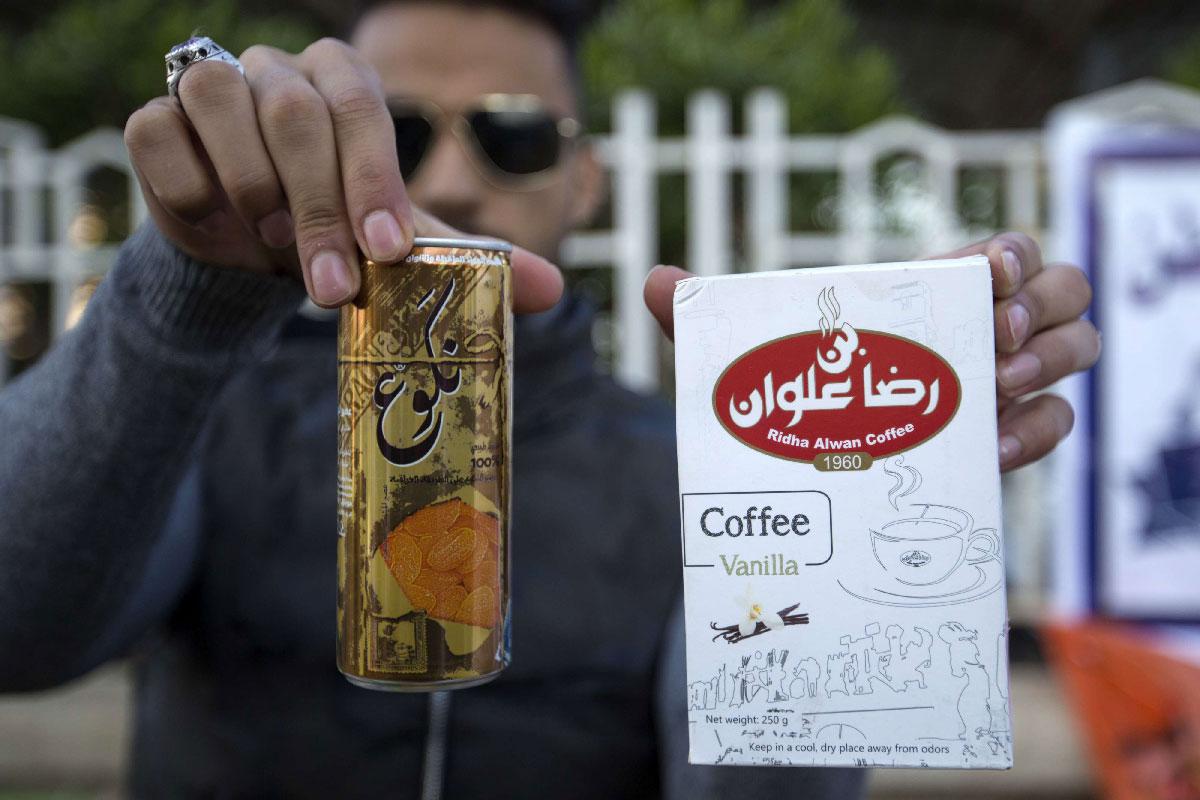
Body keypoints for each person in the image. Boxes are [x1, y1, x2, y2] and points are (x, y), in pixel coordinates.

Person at [0, 1, 1098, 797]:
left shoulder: (687, 464)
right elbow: (22, 634)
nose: (451, 184)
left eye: (515, 133)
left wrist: (838, 508)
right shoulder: (203, 414)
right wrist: (184, 296)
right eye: (401, 134)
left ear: (587, 178)